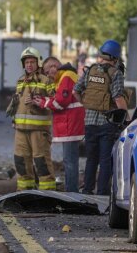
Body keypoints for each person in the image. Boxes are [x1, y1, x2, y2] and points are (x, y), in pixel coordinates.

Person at [73, 40, 128, 195]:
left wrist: (86, 104)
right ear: (116, 57)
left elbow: (75, 91)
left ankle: (87, 190)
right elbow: (118, 98)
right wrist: (126, 117)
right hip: (107, 122)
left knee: (91, 159)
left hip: (89, 123)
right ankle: (102, 192)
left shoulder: (90, 71)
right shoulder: (115, 73)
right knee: (105, 160)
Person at [34, 57, 85, 193]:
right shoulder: (64, 77)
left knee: (70, 162)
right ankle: (71, 190)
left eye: (47, 71)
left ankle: (71, 193)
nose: (48, 75)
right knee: (70, 161)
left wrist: (44, 103)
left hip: (70, 125)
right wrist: (46, 99)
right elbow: (59, 99)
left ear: (54, 66)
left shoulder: (66, 77)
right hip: (70, 125)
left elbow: (61, 102)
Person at [12, 47, 55, 191]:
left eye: (32, 62)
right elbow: (16, 103)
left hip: (39, 130)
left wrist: (40, 101)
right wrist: (14, 120)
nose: (29, 65)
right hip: (20, 130)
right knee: (21, 161)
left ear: (38, 63)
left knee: (41, 162)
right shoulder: (20, 81)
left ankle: (48, 194)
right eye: (27, 62)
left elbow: (54, 102)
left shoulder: (46, 81)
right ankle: (24, 192)